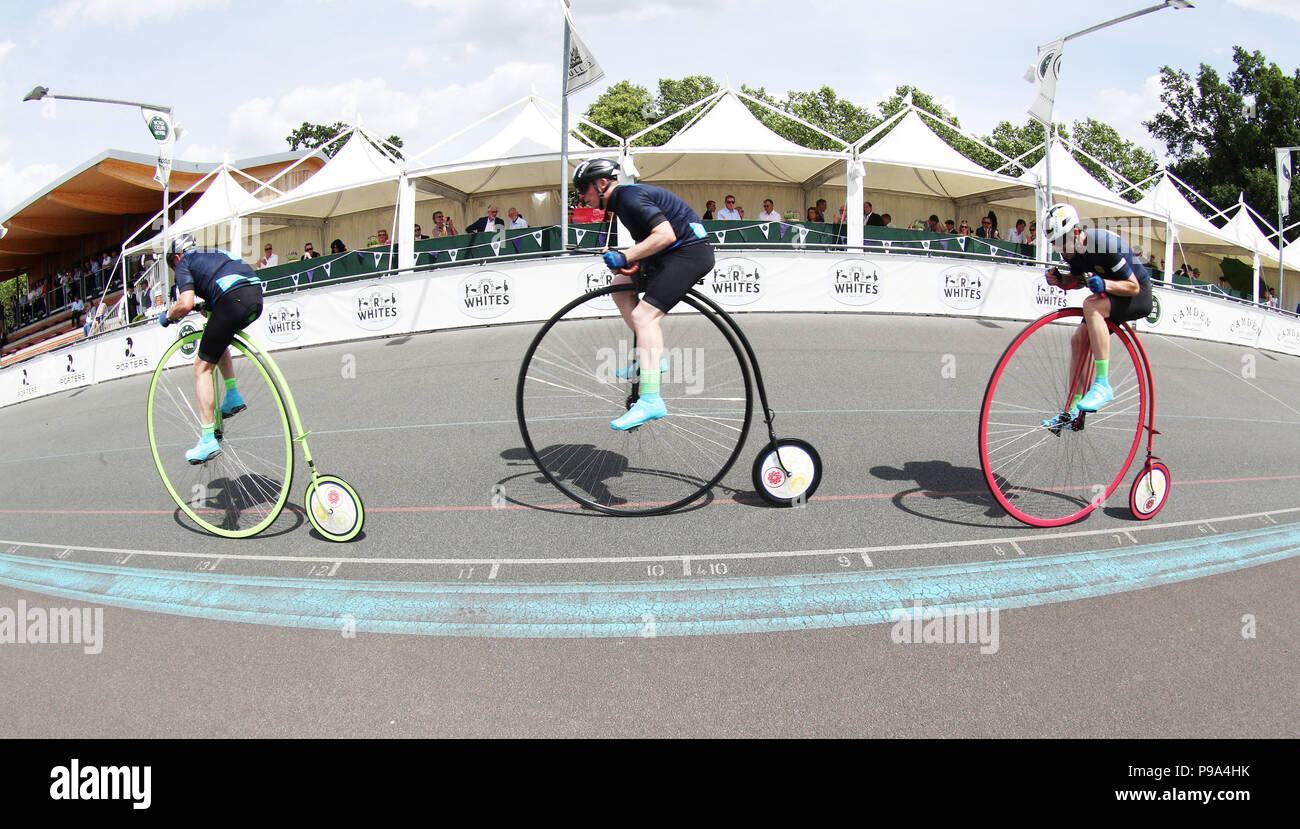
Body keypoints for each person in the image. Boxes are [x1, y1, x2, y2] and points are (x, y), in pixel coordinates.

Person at [572, 158, 713, 431]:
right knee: (620, 284)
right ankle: (650, 359)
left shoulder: (630, 198)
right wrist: (632, 261)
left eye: (583, 190)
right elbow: (652, 241)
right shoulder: (623, 202)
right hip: (671, 254)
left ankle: (651, 400)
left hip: (689, 253)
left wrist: (626, 254)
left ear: (602, 184)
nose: (581, 197)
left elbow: (665, 234)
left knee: (645, 316)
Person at [1041, 202, 1152, 426]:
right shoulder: (1071, 250)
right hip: (1109, 296)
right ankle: (1072, 409)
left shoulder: (1102, 244)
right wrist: (1061, 280)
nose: (1060, 249)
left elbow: (1133, 287)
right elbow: (1079, 281)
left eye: (1062, 241)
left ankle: (1102, 384)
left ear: (1075, 231)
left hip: (1137, 296)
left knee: (1091, 305)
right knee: (1078, 340)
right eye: (1054, 244)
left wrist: (1104, 285)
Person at [156, 234, 264, 463]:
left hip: (232, 299)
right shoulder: (212, 252)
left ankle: (207, 439)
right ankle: (232, 395)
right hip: (254, 296)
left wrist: (168, 316)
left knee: (202, 368)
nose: (177, 269)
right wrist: (209, 304)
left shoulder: (184, 262)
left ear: (176, 257)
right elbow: (222, 280)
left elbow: (185, 303)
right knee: (217, 340)